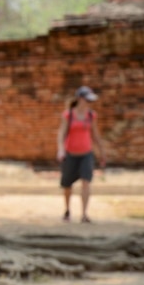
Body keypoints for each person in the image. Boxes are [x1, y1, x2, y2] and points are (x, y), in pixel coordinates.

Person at [56, 85, 106, 223]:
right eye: (87, 100)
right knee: (67, 184)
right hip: (70, 154)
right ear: (79, 99)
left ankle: (84, 214)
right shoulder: (68, 115)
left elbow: (95, 135)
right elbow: (61, 133)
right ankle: (67, 210)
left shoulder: (91, 115)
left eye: (91, 101)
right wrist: (60, 149)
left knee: (86, 182)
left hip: (86, 154)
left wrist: (102, 152)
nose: (89, 103)